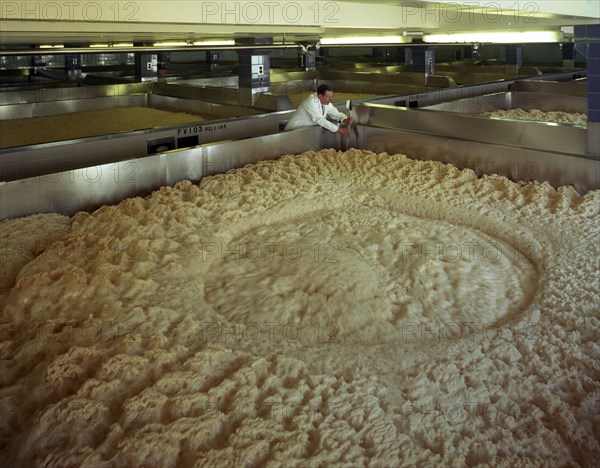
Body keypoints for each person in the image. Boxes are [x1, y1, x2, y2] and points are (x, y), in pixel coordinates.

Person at [285, 84, 352, 137]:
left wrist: (345, 118)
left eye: (331, 97)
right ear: (320, 96)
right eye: (328, 97)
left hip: (306, 131)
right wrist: (339, 130)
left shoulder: (326, 102)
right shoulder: (311, 102)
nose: (330, 99)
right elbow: (320, 120)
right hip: (293, 131)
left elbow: (335, 113)